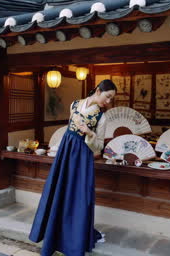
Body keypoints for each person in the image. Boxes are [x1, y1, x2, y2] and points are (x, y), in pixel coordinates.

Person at [29, 79, 117, 256]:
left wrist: (89, 133)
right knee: (59, 190)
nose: (108, 102)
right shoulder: (74, 105)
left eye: (111, 99)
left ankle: (74, 239)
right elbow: (68, 128)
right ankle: (54, 233)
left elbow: (99, 146)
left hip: (83, 157)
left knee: (79, 196)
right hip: (66, 151)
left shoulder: (102, 117)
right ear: (98, 91)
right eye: (107, 97)